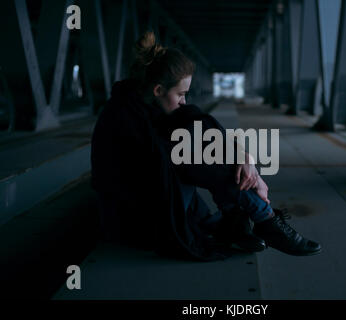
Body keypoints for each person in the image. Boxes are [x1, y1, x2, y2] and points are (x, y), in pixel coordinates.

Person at [90, 31, 322, 260]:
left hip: (159, 201)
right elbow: (176, 161)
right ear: (158, 90)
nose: (184, 100)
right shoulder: (123, 118)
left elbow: (200, 124)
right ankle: (265, 219)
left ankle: (240, 220)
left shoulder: (147, 106)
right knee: (196, 157)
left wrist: (244, 158)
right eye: (180, 94)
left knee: (203, 143)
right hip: (132, 219)